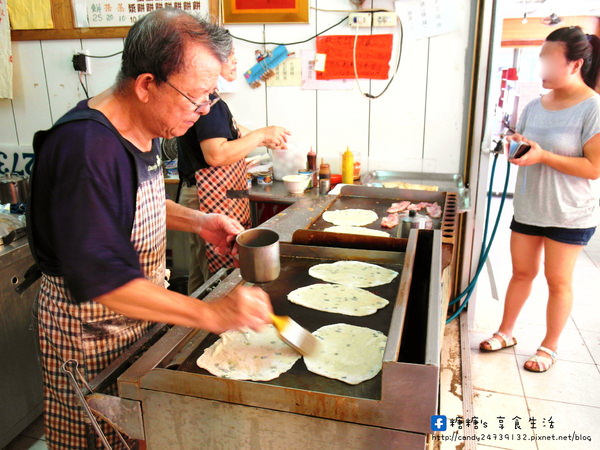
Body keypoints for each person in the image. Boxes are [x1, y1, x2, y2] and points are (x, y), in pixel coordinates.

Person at [28, 8, 273, 449]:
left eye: (211, 98)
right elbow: (101, 276)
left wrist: (200, 222)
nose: (203, 113)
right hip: (88, 332)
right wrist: (211, 314)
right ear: (146, 85)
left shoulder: (143, 129)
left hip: (131, 319)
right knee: (93, 440)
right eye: (196, 97)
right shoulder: (87, 149)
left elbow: (132, 205)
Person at [479, 27, 600, 373]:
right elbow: (528, 145)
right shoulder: (535, 105)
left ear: (575, 63)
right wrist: (517, 146)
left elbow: (594, 168)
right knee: (521, 272)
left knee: (557, 280)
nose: (542, 67)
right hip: (530, 206)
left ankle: (549, 346)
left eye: (549, 59)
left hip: (569, 212)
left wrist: (543, 156)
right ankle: (506, 332)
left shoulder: (593, 108)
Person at [177, 27, 290, 292]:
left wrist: (265, 138)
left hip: (214, 197)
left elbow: (235, 131)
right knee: (211, 271)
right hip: (205, 198)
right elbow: (216, 154)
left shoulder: (214, 101)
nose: (236, 61)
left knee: (204, 270)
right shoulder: (206, 102)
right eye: (230, 55)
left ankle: (200, 317)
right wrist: (262, 134)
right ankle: (205, 322)